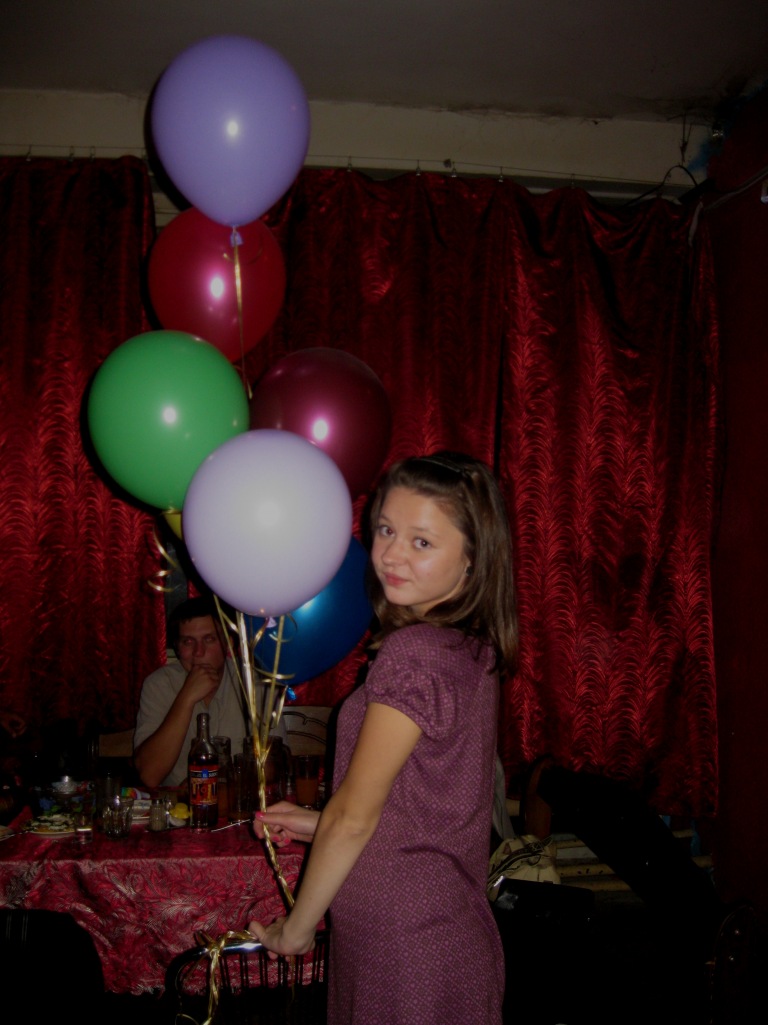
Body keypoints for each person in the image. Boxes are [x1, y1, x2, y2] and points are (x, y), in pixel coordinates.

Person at [249, 452, 518, 1025]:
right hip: (427, 931)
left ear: (473, 558)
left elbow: (355, 817)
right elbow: (424, 812)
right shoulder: (465, 646)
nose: (392, 555)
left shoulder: (415, 654)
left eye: (422, 542)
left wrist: (296, 929)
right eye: (387, 530)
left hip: (406, 946)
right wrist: (316, 823)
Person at [134, 595, 249, 788]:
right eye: (188, 642)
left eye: (209, 639)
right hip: (177, 805)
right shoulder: (158, 684)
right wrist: (186, 697)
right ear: (177, 648)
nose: (198, 652)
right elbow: (149, 775)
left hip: (238, 801)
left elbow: (272, 767)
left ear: (228, 643)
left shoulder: (253, 683)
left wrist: (211, 782)